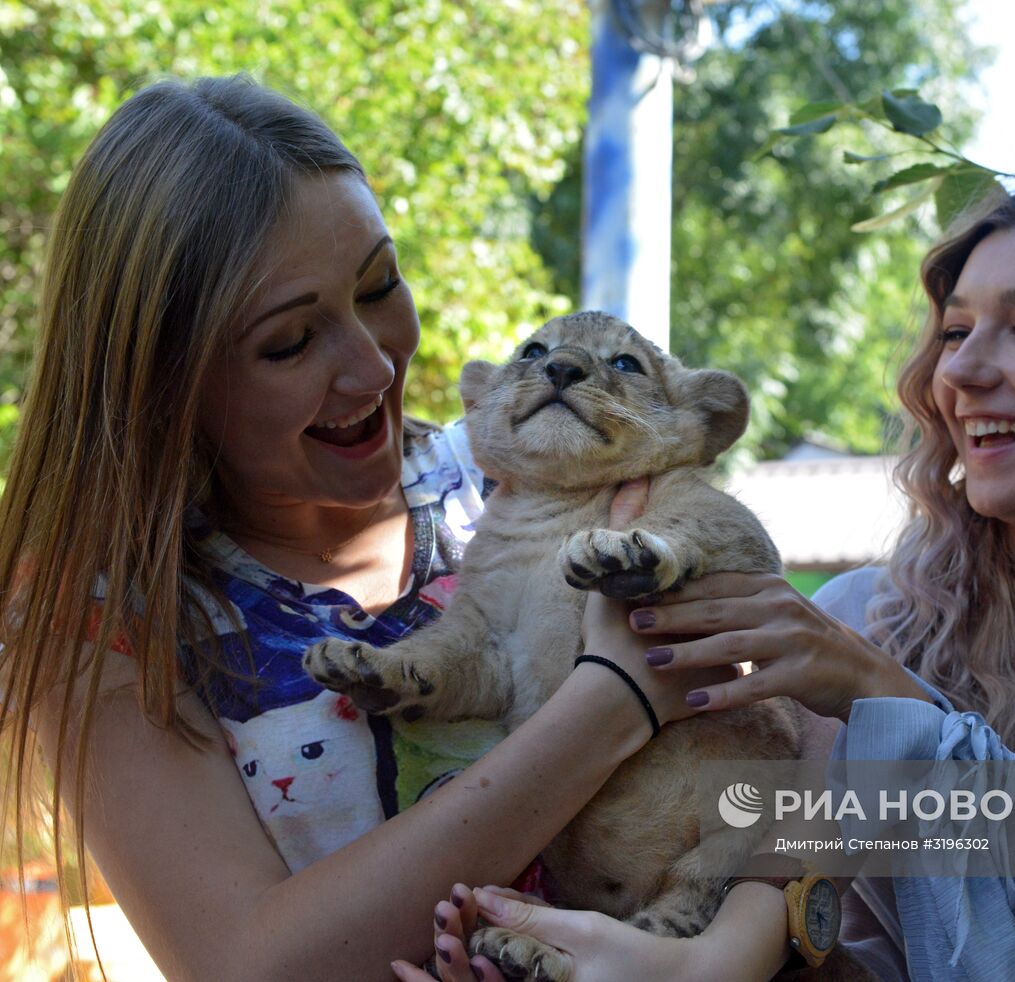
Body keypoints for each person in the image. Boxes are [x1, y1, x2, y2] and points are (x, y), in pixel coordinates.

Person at [431, 175, 1015, 980]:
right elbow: (787, 909)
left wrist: (890, 704)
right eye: (954, 329)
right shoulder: (866, 619)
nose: (959, 372)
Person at [0, 75, 797, 981]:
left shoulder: (541, 463)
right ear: (163, 381)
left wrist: (737, 944)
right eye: (290, 343)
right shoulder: (102, 621)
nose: (374, 364)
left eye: (379, 285)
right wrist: (613, 698)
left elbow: (826, 770)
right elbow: (249, 966)